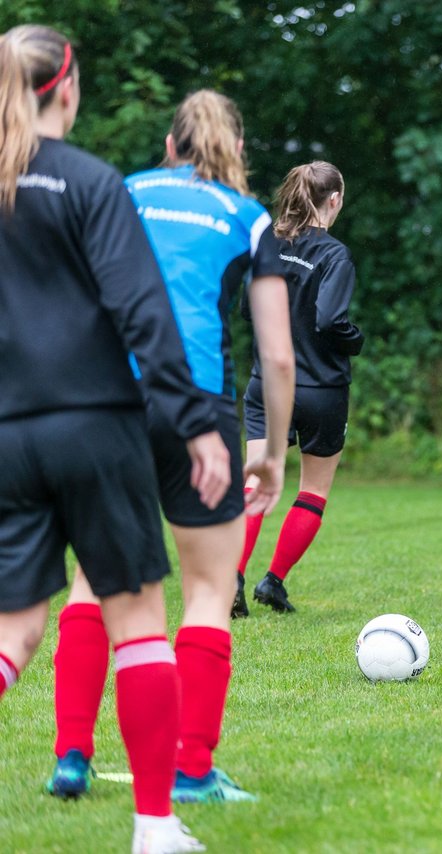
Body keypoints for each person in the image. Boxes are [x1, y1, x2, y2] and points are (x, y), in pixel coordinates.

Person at [0, 25, 228, 854]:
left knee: (14, 629)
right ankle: (156, 829)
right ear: (68, 89)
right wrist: (196, 423)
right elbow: (143, 311)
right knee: (136, 622)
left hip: (7, 436)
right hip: (97, 425)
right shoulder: (93, 183)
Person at [44, 89, 295, 806]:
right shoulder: (248, 218)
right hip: (199, 410)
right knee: (210, 590)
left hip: (104, 406)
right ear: (233, 150)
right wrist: (271, 452)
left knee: (94, 581)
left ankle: (72, 757)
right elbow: (277, 358)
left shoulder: (118, 191)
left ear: (168, 143)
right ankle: (190, 770)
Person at [235, 161, 364, 616]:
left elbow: (250, 311)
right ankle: (273, 582)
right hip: (320, 389)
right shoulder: (334, 255)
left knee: (255, 478)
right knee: (312, 490)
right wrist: (355, 340)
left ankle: (232, 578)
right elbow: (330, 320)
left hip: (266, 383)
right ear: (335, 200)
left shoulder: (269, 243)